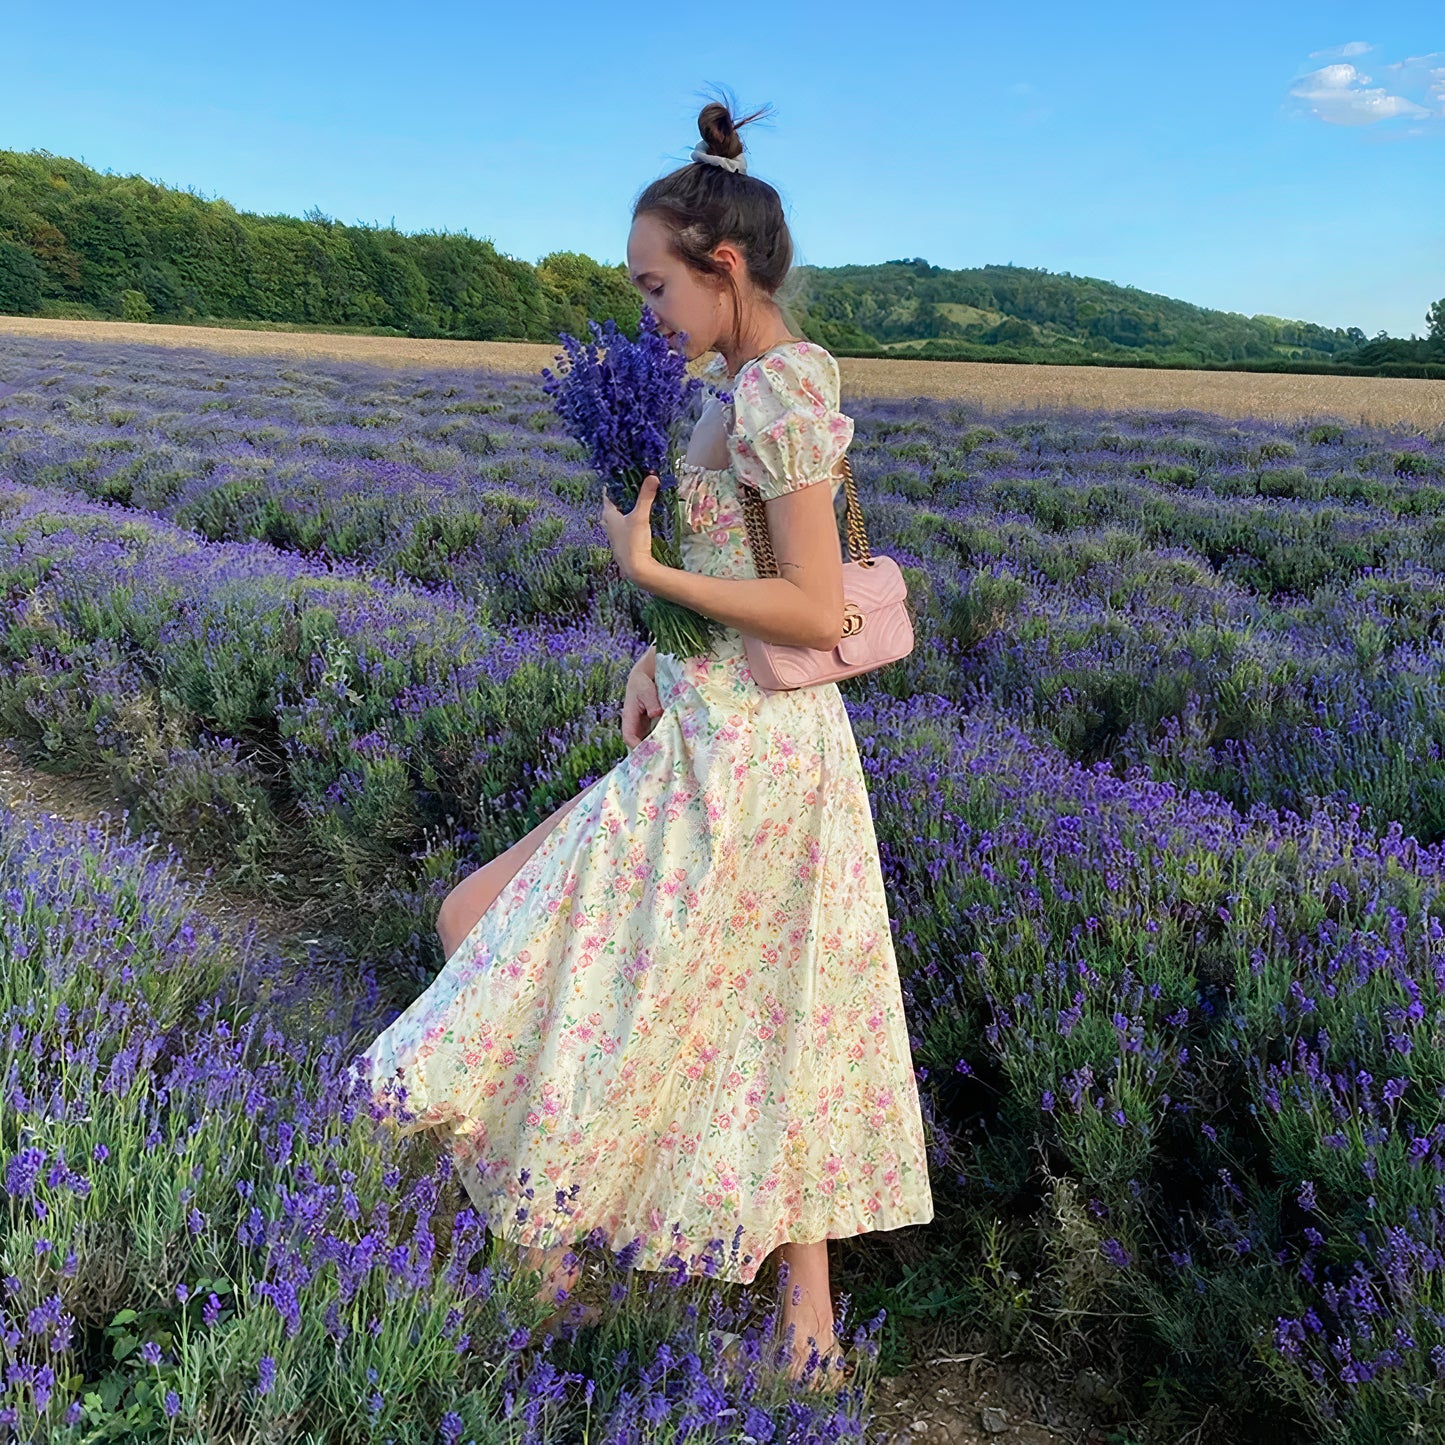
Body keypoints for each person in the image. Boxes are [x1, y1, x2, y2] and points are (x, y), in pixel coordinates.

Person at [350, 92, 934, 1392]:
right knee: (705, 990)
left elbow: (814, 601)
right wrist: (650, 654)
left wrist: (647, 578)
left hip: (758, 759)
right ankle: (596, 1246)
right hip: (716, 731)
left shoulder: (778, 384)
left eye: (653, 283)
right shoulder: (751, 379)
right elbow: (762, 566)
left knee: (690, 986)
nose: (645, 310)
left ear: (722, 269)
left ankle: (773, 1308)